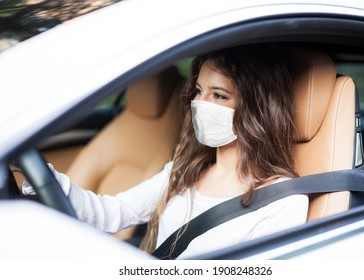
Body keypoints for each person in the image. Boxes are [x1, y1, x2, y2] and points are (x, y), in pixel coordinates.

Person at [22, 45, 308, 259]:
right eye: (198, 91)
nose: (199, 103)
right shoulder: (183, 169)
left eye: (218, 95)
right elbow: (113, 213)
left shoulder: (283, 200)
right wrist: (41, 181)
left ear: (256, 109)